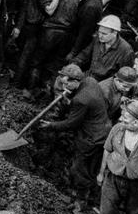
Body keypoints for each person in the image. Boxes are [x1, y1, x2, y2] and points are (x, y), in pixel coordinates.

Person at [40, 64, 111, 197]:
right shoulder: (90, 81)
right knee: (92, 165)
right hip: (105, 128)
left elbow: (71, 123)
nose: (64, 87)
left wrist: (51, 125)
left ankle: (81, 195)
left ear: (75, 81)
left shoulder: (81, 100)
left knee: (79, 167)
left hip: (91, 137)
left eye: (66, 84)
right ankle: (93, 190)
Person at [73, 14, 134, 81]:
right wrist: (74, 65)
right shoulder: (97, 39)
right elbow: (84, 55)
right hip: (89, 76)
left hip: (105, 83)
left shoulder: (126, 50)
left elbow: (124, 76)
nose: (100, 36)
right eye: (99, 32)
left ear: (114, 33)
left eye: (104, 34)